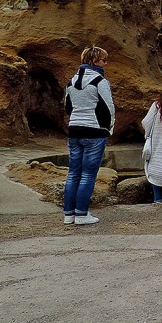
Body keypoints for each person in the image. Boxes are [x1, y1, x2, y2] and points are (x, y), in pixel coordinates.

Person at [63, 45, 115, 225]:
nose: (106, 64)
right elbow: (109, 108)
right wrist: (108, 128)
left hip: (74, 129)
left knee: (73, 173)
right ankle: (82, 214)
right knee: (87, 174)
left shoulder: (71, 81)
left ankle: (68, 215)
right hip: (94, 131)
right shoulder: (100, 81)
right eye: (104, 60)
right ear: (94, 61)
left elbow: (68, 107)